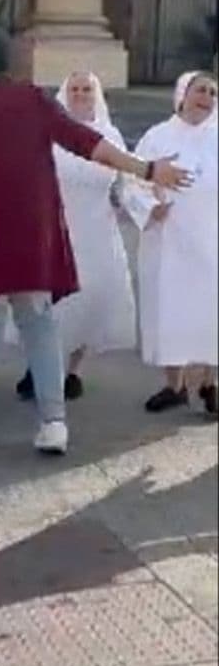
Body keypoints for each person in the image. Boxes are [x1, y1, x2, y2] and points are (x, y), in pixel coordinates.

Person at [0, 27, 190, 461]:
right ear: (8, 62)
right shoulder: (31, 101)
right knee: (40, 326)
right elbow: (87, 143)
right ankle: (53, 424)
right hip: (27, 235)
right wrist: (145, 169)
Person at [5, 71, 142, 401]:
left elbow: (126, 184)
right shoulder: (49, 134)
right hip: (54, 227)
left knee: (88, 300)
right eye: (75, 89)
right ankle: (38, 367)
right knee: (47, 301)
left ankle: (71, 370)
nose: (81, 94)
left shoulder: (110, 135)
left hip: (97, 229)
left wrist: (141, 209)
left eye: (87, 89)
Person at [131, 70, 217, 417]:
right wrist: (149, 208)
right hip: (168, 242)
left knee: (212, 312)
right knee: (169, 310)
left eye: (213, 92)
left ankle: (211, 384)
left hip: (212, 241)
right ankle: (175, 385)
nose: (206, 97)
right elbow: (130, 180)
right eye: (201, 90)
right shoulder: (157, 137)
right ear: (183, 94)